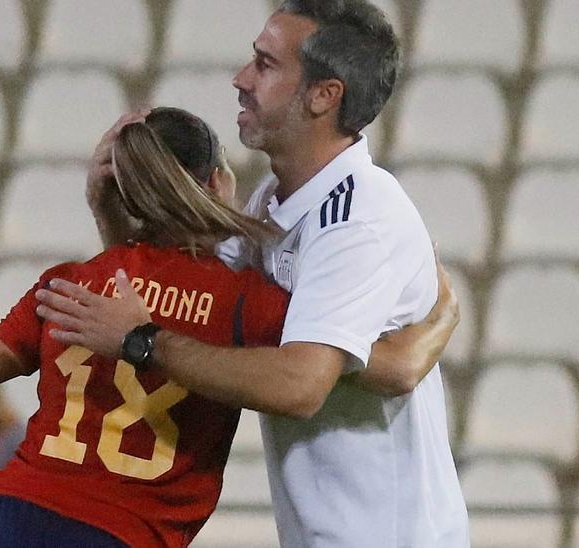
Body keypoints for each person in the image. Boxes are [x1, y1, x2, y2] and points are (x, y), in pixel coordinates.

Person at [0, 107, 456, 547]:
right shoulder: (245, 303)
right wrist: (439, 322)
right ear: (218, 183)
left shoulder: (69, 287)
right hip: (124, 537)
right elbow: (373, 366)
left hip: (7, 521)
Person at [35, 1, 470, 546]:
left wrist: (142, 342)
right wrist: (110, 214)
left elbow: (299, 384)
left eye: (265, 65)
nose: (241, 80)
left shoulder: (358, 217)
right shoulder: (272, 204)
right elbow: (192, 310)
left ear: (323, 95)